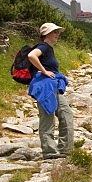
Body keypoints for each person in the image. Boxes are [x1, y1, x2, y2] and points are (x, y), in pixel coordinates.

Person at [27, 22, 74, 160]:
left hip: (51, 87)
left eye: (58, 32)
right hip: (45, 87)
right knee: (48, 118)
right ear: (46, 34)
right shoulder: (43, 47)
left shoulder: (49, 49)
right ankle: (50, 152)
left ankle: (65, 149)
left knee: (66, 114)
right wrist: (44, 71)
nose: (57, 34)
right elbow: (31, 55)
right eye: (55, 32)